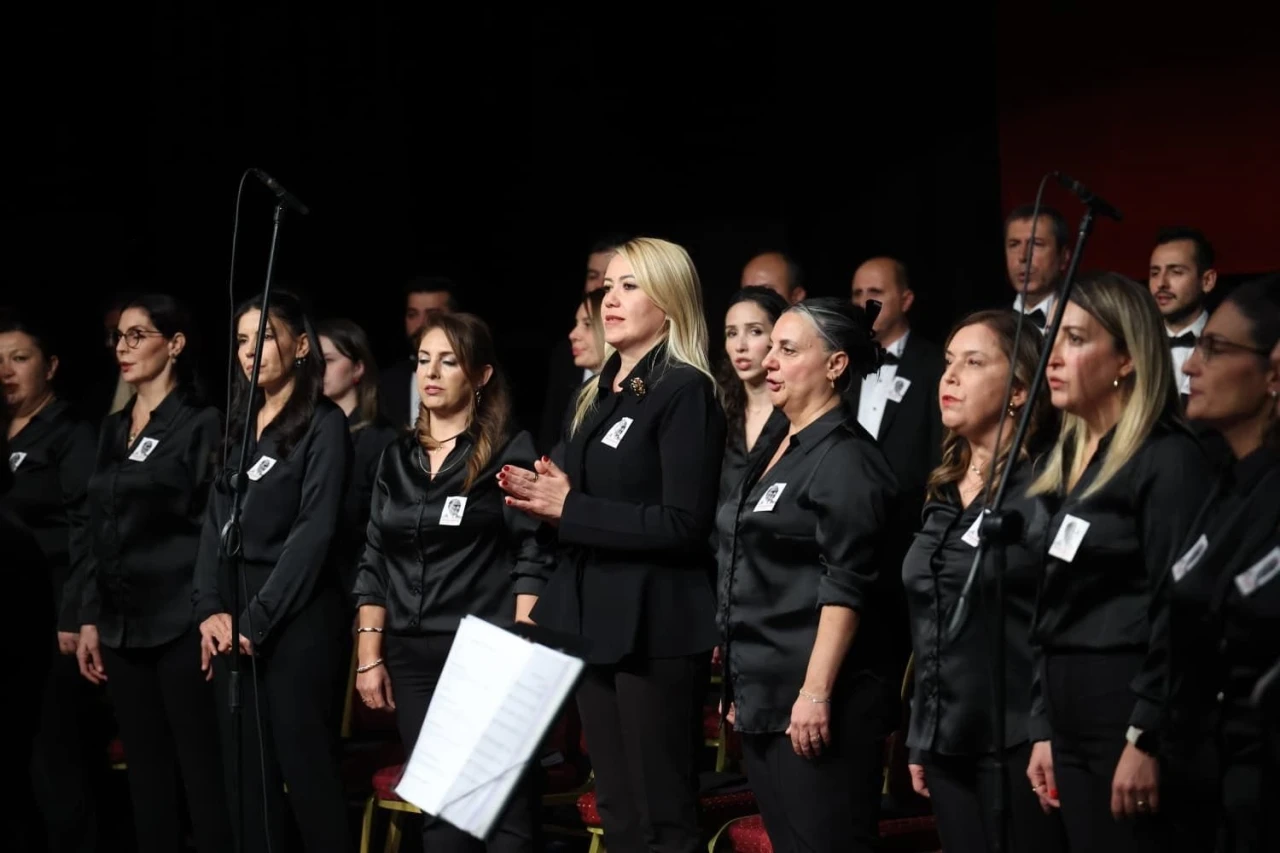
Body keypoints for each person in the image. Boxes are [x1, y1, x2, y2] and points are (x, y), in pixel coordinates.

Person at [498, 237, 725, 853]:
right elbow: (587, 501)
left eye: (630, 286)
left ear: (669, 300)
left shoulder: (685, 389)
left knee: (661, 816)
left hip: (654, 625)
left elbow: (683, 523)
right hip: (592, 615)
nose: (610, 299)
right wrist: (547, 496)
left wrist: (570, 507)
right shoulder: (600, 389)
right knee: (617, 812)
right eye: (608, 287)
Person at [1024, 271, 1216, 852]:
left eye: (1076, 339)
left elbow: (1183, 609)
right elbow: (1051, 604)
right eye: (1054, 337)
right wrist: (1043, 726)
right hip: (1066, 709)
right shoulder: (1064, 461)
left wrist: (1145, 735)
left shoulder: (1168, 458)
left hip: (1126, 706)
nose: (1054, 357)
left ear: (1127, 359)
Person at [353, 312, 556, 853]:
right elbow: (374, 556)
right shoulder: (396, 457)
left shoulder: (508, 449)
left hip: (485, 647)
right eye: (424, 360)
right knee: (443, 814)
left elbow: (533, 550)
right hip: (412, 655)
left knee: (503, 813)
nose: (431, 373)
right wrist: (369, 655)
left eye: (448, 361)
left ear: (481, 375)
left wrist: (522, 642)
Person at [715, 298, 899, 853]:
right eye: (771, 346)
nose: (769, 360)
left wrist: (815, 693)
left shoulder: (846, 457)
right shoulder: (780, 443)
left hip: (819, 702)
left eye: (788, 349)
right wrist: (741, 683)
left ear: (836, 365)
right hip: (765, 695)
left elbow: (847, 584)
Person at [192, 291, 352, 853]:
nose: (249, 351)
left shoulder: (324, 424)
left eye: (264, 337)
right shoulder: (238, 424)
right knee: (245, 781)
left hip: (294, 619)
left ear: (301, 345)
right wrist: (209, 607)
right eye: (241, 340)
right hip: (231, 618)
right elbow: (213, 525)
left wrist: (254, 621)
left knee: (308, 776)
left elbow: (314, 533)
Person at [72, 294, 232, 853]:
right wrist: (88, 615)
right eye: (119, 336)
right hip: (121, 624)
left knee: (202, 773)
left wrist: (211, 608)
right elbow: (95, 527)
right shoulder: (114, 427)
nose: (123, 347)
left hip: (180, 621)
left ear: (176, 344)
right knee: (145, 777)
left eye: (137, 336)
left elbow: (216, 528)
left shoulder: (202, 422)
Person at [902, 309, 1066, 852]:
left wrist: (1045, 729)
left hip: (1019, 737)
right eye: (948, 362)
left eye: (972, 363)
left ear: (1019, 390)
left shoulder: (1045, 488)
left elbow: (1056, 618)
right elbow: (930, 621)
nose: (949, 377)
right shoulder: (943, 488)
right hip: (946, 738)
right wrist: (921, 733)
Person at [1165, 275, 1279, 852]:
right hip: (1203, 793)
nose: (1190, 365)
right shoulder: (1221, 484)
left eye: (1215, 348)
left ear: (1274, 372)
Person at [1, 312, 101, 853]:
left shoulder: (69, 432)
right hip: (8, 613)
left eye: (19, 359)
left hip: (50, 609)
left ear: (51, 366)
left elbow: (88, 527)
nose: (6, 371)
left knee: (53, 756)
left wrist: (77, 613)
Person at [316, 318, 397, 595]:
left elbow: (380, 531)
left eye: (328, 360)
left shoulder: (381, 439)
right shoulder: (305, 434)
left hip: (352, 585)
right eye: (315, 361)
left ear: (358, 368)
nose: (319, 369)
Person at [716, 286, 790, 508]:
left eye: (755, 331)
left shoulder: (796, 416)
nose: (740, 346)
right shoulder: (718, 411)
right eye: (732, 333)